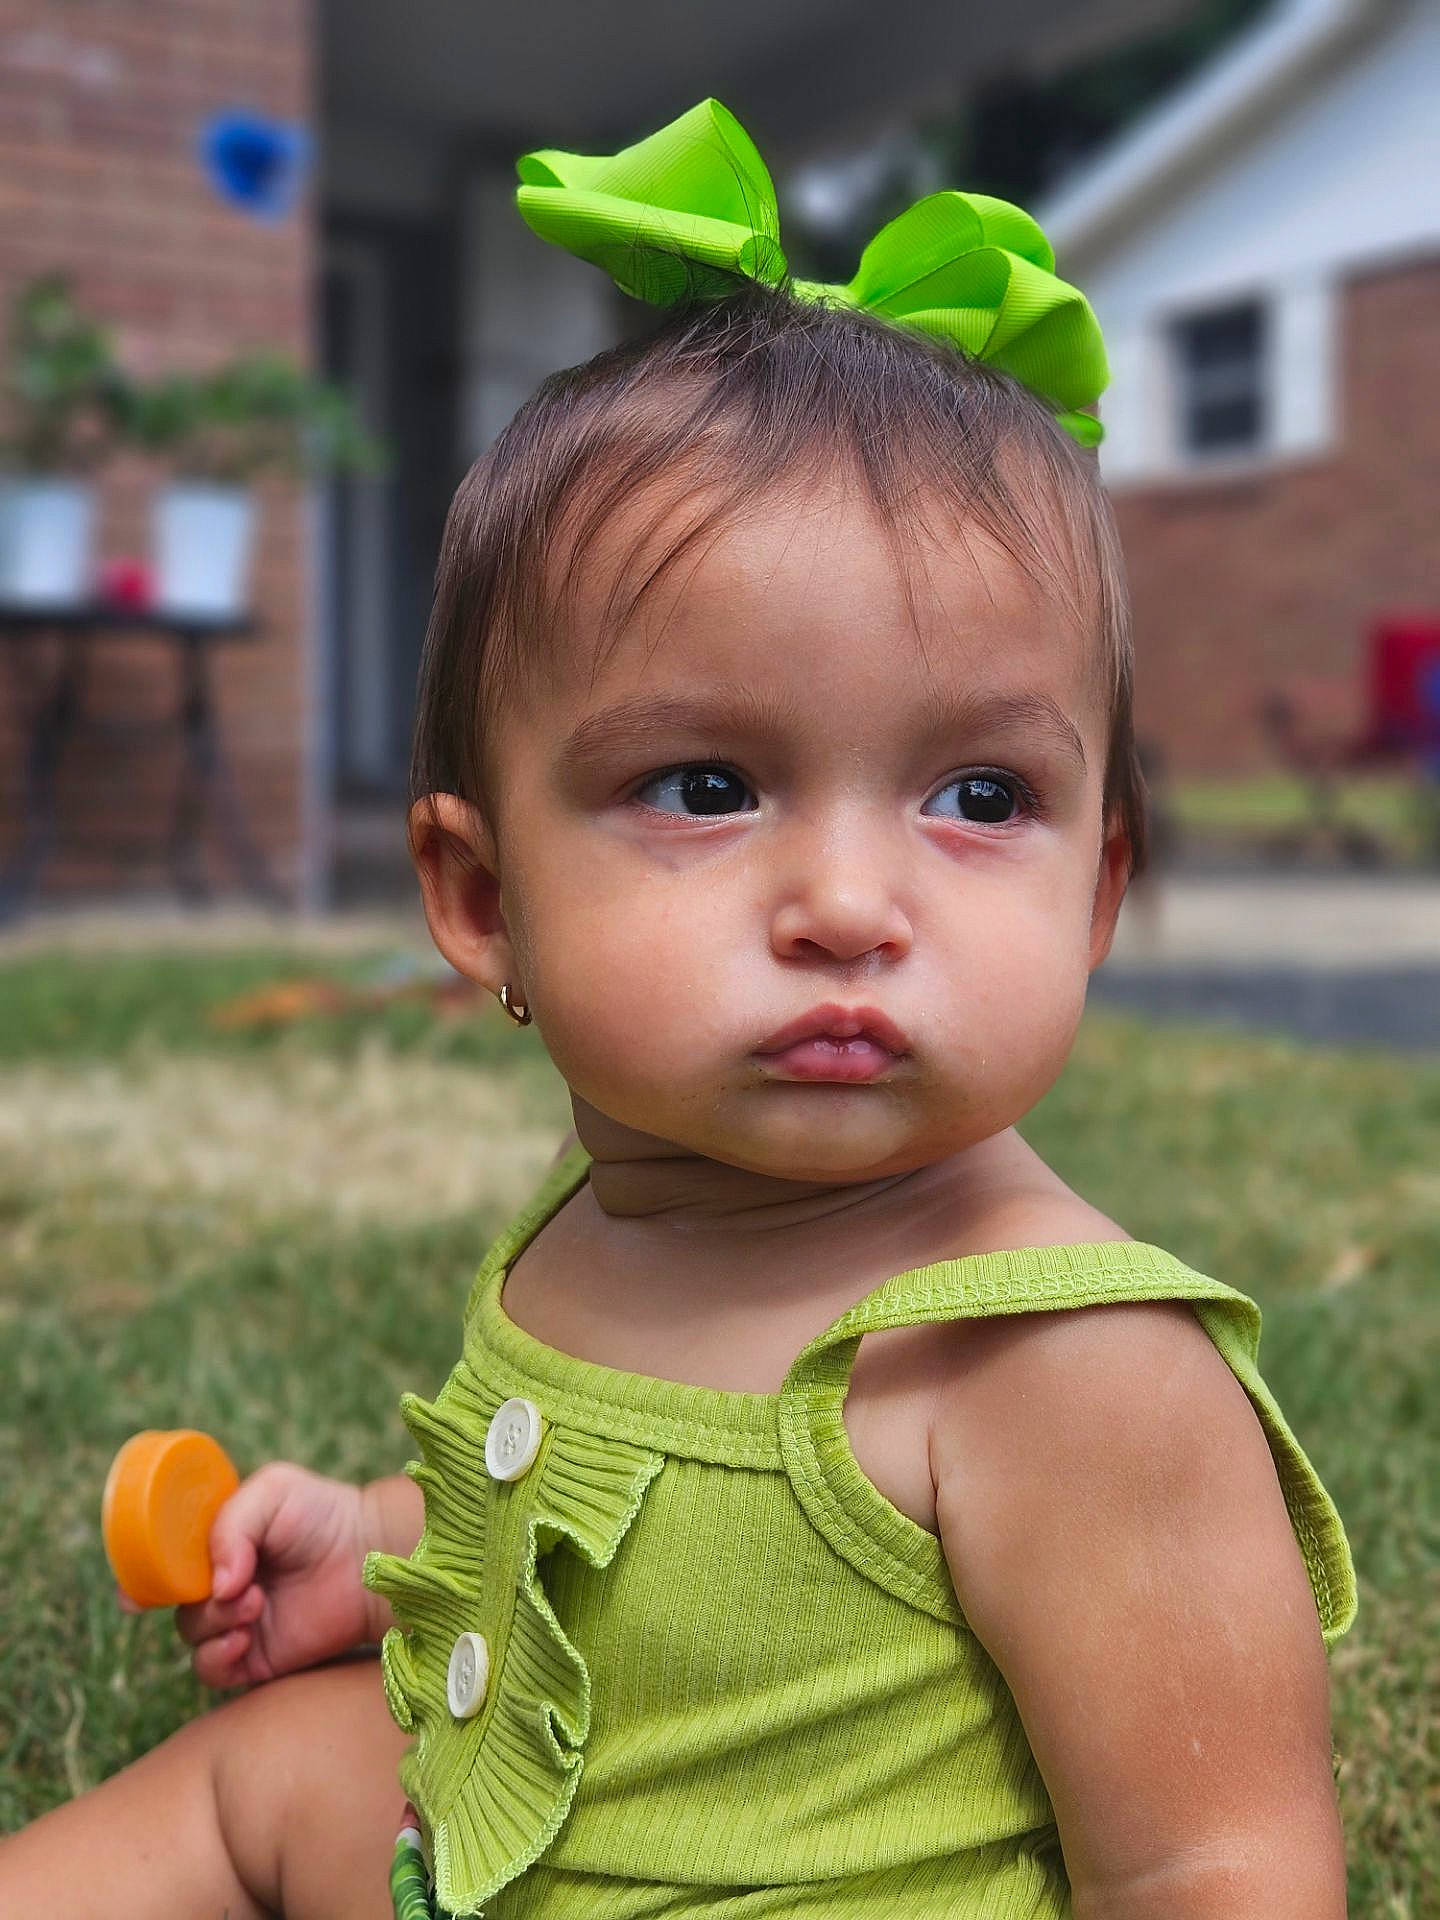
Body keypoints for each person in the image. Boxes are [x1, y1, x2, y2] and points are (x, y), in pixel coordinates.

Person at [0, 99, 1356, 1919]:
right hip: (501, 1849)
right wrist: (388, 1546)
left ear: (1097, 889)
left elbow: (1218, 1864)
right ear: (486, 906)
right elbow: (629, 1538)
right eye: (710, 787)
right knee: (255, 1775)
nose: (852, 908)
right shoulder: (624, 1203)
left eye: (978, 798)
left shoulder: (1077, 1376)